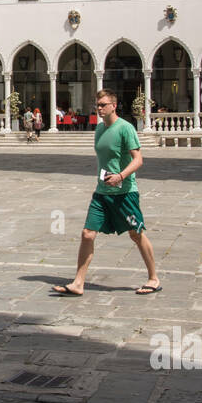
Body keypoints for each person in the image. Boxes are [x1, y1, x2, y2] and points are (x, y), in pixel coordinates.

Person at [54, 89, 161, 296]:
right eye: (97, 105)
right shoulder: (100, 129)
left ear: (114, 105)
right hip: (102, 192)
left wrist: (120, 176)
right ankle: (78, 283)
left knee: (136, 234)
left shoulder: (126, 128)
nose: (99, 108)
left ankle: (153, 278)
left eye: (103, 105)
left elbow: (138, 160)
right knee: (87, 234)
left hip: (125, 192)